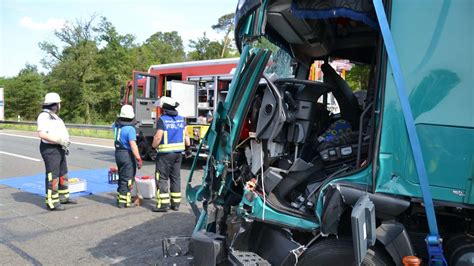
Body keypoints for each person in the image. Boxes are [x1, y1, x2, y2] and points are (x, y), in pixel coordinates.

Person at [37, 92, 76, 211]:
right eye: (59, 104)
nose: (60, 106)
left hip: (59, 148)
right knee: (52, 176)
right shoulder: (44, 116)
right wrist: (59, 140)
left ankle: (63, 197)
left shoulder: (54, 116)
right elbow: (42, 134)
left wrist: (64, 142)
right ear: (54, 104)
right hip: (50, 149)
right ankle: (52, 202)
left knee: (63, 173)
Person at [151, 97, 190, 212]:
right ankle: (176, 204)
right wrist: (187, 148)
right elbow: (186, 136)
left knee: (162, 178)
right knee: (175, 178)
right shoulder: (181, 119)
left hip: (165, 154)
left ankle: (163, 205)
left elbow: (158, 137)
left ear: (164, 108)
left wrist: (153, 148)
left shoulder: (162, 120)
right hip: (178, 154)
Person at [112, 105, 143, 208]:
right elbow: (133, 145)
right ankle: (125, 202)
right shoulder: (130, 129)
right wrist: (138, 158)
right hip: (127, 155)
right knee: (128, 178)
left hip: (118, 154)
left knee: (121, 177)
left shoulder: (116, 126)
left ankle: (120, 198)